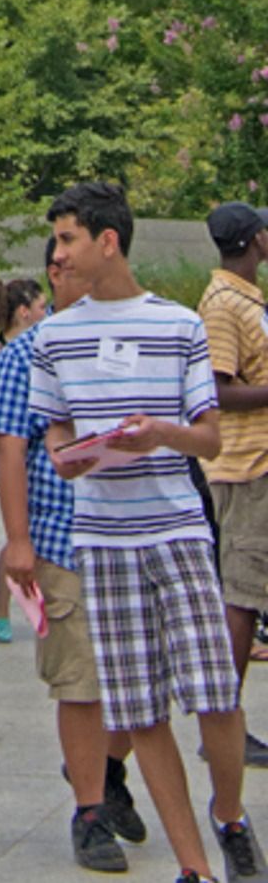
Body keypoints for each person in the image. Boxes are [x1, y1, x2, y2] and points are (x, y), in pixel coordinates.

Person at [29, 179, 260, 883]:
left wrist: (162, 433)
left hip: (178, 534)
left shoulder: (179, 325)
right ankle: (195, 867)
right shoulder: (52, 338)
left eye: (69, 239)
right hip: (102, 543)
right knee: (139, 707)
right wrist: (74, 457)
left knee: (215, 692)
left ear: (108, 241)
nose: (58, 255)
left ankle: (230, 816)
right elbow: (57, 439)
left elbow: (212, 441)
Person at [0, 240, 147, 872]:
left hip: (135, 534)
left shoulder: (134, 338)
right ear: (54, 273)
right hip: (63, 538)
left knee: (142, 682)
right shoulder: (28, 351)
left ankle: (107, 768)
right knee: (81, 684)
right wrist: (18, 541)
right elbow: (7, 446)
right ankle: (88, 813)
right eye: (66, 263)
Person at [202, 205, 268, 765]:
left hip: (262, 465)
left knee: (250, 595)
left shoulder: (248, 300)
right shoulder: (223, 305)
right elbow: (216, 390)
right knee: (242, 598)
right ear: (255, 240)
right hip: (247, 469)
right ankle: (223, 724)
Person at [0, 274, 48, 638]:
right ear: (24, 312)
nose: (45, 313)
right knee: (19, 531)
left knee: (33, 529)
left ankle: (32, 601)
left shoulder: (46, 349)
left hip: (41, 454)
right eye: (41, 307)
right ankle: (3, 602)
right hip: (7, 454)